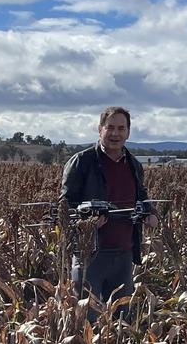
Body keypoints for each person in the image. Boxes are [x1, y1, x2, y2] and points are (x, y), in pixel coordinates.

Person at [59, 106, 158, 320]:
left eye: (121, 128)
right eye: (110, 127)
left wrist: (150, 214)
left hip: (123, 254)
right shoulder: (82, 162)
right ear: (100, 129)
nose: (115, 134)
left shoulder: (133, 164)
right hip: (90, 255)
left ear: (128, 132)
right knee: (87, 319)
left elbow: (142, 196)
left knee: (122, 320)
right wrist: (86, 222)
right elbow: (64, 205)